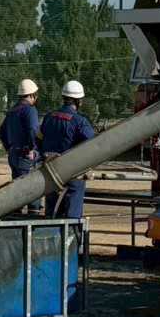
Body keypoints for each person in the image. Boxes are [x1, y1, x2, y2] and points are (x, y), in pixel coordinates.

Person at [39, 80, 97, 218]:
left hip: (52, 172)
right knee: (72, 214)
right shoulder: (80, 121)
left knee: (52, 214)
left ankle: (51, 236)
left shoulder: (48, 118)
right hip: (72, 173)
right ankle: (72, 238)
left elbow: (39, 139)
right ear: (78, 101)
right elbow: (92, 145)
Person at [0, 79, 42, 214]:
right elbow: (33, 130)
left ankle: (17, 219)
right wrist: (34, 149)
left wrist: (8, 148)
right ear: (30, 95)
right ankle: (33, 221)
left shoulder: (12, 110)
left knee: (17, 189)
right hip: (26, 155)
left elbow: (2, 130)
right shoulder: (30, 110)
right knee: (33, 190)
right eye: (35, 95)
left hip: (14, 155)